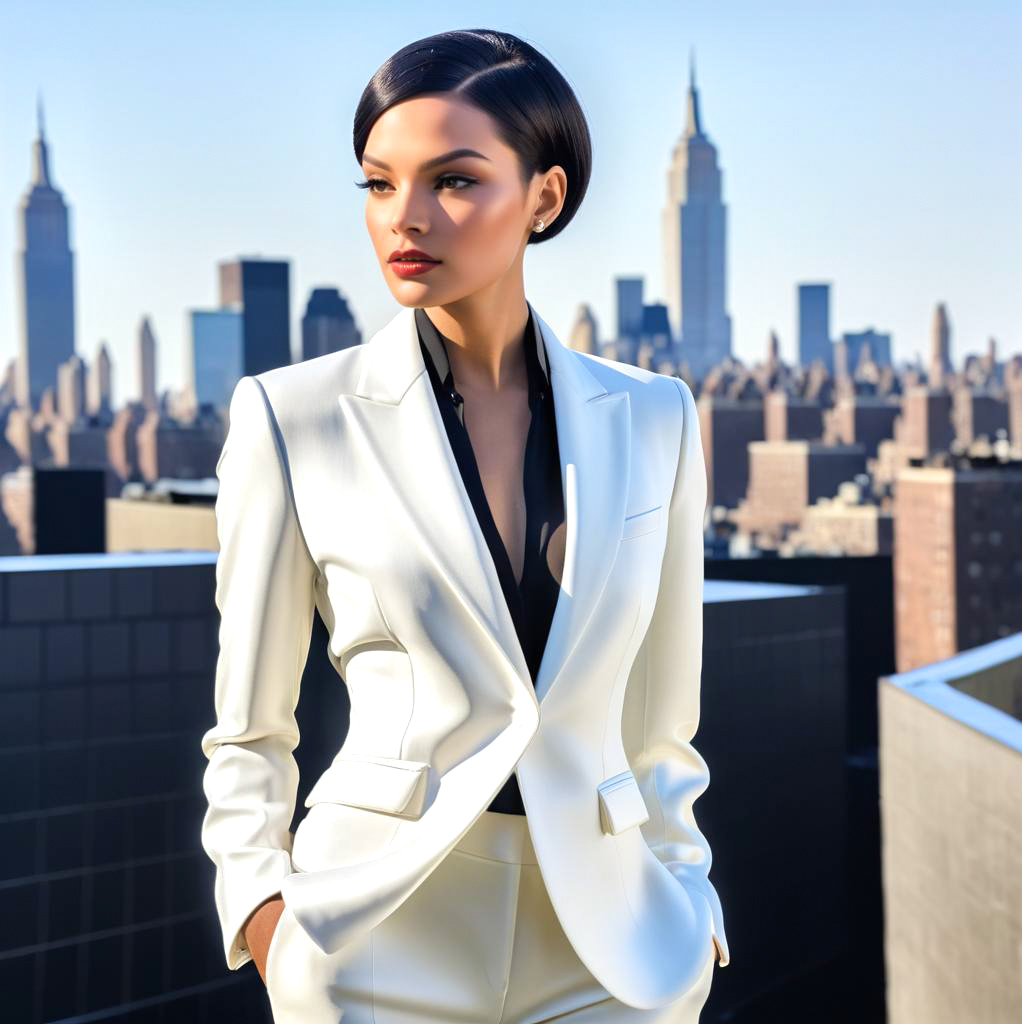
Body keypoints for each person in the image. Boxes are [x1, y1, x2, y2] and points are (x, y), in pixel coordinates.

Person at [201, 27, 729, 1024]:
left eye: (452, 180)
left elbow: (664, 724)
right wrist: (266, 917)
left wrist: (687, 896)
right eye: (377, 183)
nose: (405, 217)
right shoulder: (293, 416)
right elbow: (249, 729)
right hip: (374, 934)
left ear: (544, 196)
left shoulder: (655, 416)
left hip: (612, 947)